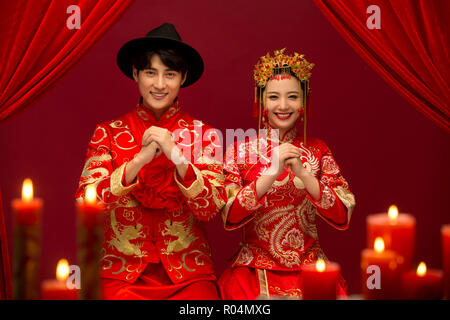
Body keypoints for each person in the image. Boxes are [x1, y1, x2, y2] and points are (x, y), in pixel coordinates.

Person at [75, 23, 226, 299]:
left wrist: (177, 155)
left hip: (189, 277)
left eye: (169, 74)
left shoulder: (205, 135)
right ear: (135, 73)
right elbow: (87, 203)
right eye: (150, 73)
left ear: (183, 77)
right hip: (120, 275)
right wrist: (138, 161)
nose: (159, 84)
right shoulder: (108, 132)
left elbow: (210, 207)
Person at [218, 48, 356, 299]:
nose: (283, 105)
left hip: (311, 267)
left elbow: (343, 214)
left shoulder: (318, 149)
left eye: (292, 97)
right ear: (260, 101)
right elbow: (228, 215)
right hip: (253, 269)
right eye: (273, 97)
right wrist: (270, 173)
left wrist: (305, 174)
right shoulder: (239, 151)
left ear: (304, 101)